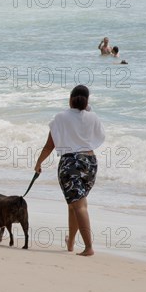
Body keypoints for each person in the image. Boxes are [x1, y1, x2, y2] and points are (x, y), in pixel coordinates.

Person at [33, 85, 105, 256]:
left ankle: (88, 247)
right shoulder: (92, 117)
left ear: (70, 98)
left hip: (70, 163)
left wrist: (38, 163)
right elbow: (100, 136)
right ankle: (70, 242)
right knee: (74, 204)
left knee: (79, 205)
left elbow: (49, 145)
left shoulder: (61, 117)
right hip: (90, 162)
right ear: (87, 100)